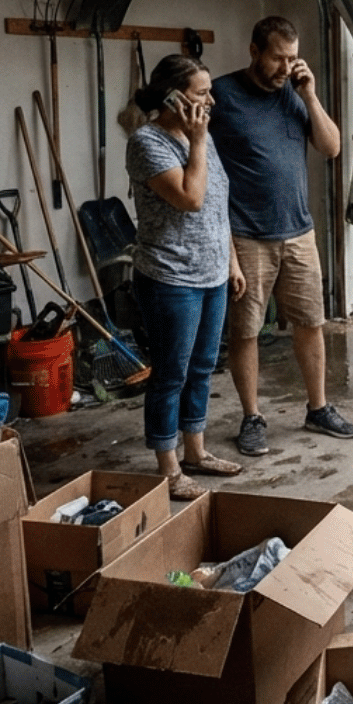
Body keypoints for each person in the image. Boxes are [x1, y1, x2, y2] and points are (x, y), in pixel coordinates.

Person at [209, 15, 353, 456]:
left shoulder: (294, 96)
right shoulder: (223, 95)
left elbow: (331, 147)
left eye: (292, 58)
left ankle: (318, 409)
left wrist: (310, 95)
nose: (285, 66)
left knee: (311, 323)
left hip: (298, 231)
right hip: (246, 234)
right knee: (246, 331)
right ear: (254, 51)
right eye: (278, 57)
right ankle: (252, 417)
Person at [126, 53, 245, 499]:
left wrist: (230, 261)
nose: (211, 100)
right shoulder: (147, 142)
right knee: (170, 374)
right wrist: (197, 141)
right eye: (201, 93)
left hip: (211, 274)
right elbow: (191, 199)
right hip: (170, 278)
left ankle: (196, 452)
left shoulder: (202, 137)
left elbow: (217, 203)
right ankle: (168, 469)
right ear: (173, 97)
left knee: (201, 368)